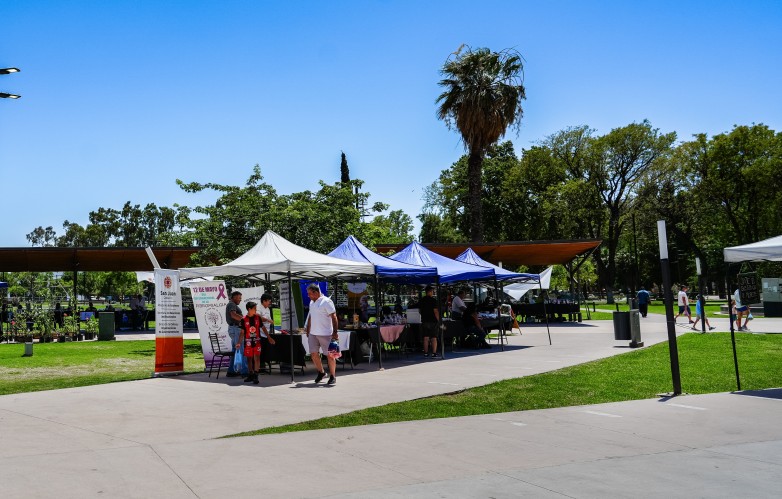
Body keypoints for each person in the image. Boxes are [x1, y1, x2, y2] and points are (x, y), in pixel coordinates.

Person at [304, 283, 339, 385]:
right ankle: (321, 372)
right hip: (313, 333)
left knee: (330, 355)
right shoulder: (312, 302)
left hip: (326, 333)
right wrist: (308, 328)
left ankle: (333, 376)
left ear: (315, 292)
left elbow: (334, 317)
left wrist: (335, 332)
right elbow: (311, 316)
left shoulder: (327, 302)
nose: (308, 295)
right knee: (313, 354)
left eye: (309, 293)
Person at [236, 301, 263, 384]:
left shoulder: (258, 317)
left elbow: (263, 327)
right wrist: (239, 342)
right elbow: (242, 332)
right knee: (249, 358)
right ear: (249, 309)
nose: (256, 310)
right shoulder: (243, 319)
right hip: (248, 342)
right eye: (254, 308)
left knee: (257, 358)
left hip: (257, 341)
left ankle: (256, 374)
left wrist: (269, 337)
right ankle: (250, 374)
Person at [225, 291, 244, 378]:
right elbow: (233, 315)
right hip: (235, 329)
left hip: (233, 328)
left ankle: (232, 371)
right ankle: (243, 370)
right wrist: (244, 320)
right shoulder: (232, 304)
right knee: (240, 349)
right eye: (239, 298)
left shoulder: (231, 304)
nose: (240, 299)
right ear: (235, 297)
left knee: (235, 350)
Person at [419, 285, 440, 359]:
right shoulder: (433, 300)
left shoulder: (421, 300)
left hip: (424, 320)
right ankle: (434, 353)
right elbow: (436, 311)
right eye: (432, 291)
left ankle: (425, 353)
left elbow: (420, 311)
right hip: (433, 321)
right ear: (430, 292)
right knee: (434, 337)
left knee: (425, 337)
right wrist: (439, 320)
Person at [257, 293, 276, 373]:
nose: (269, 303)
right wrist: (268, 320)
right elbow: (258, 318)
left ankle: (263, 366)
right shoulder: (258, 308)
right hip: (260, 332)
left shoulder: (267, 309)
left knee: (265, 350)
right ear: (264, 301)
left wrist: (271, 322)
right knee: (260, 350)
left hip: (266, 332)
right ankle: (260, 367)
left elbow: (269, 319)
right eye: (268, 301)